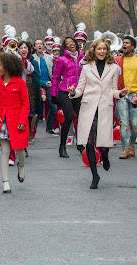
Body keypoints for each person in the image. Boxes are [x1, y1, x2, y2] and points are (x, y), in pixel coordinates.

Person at [68, 39, 129, 189]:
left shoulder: (114, 68)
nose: (101, 51)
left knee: (103, 143)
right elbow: (80, 89)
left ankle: (105, 155)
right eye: (99, 49)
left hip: (105, 108)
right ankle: (95, 175)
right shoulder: (87, 68)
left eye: (104, 49)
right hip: (89, 107)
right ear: (94, 51)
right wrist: (73, 92)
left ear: (107, 51)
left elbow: (113, 90)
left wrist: (120, 93)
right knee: (89, 141)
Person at [0, 53, 30, 193]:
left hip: (17, 121)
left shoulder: (19, 82)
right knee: (4, 150)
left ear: (8, 66)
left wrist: (23, 120)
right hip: (2, 121)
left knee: (19, 149)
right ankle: (5, 181)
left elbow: (26, 104)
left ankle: (21, 165)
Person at [51, 37, 84, 158]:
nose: (71, 44)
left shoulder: (83, 57)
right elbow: (55, 77)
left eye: (72, 42)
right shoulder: (61, 59)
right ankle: (62, 146)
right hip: (65, 91)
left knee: (81, 118)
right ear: (65, 47)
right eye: (68, 43)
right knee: (69, 117)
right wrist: (53, 94)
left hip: (79, 91)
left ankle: (80, 144)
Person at [114, 36, 137, 159]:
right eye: (123, 43)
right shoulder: (117, 60)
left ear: (132, 46)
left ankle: (132, 145)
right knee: (123, 123)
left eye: (127, 43)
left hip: (134, 95)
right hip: (121, 95)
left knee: (134, 124)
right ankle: (124, 148)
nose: (124, 44)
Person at [33, 39, 56, 135]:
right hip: (37, 84)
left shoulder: (48, 58)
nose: (39, 45)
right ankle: (33, 130)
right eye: (37, 44)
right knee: (37, 109)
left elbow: (53, 70)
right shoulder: (32, 58)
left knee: (53, 107)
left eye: (41, 44)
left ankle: (49, 127)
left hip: (48, 84)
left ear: (43, 46)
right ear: (34, 47)